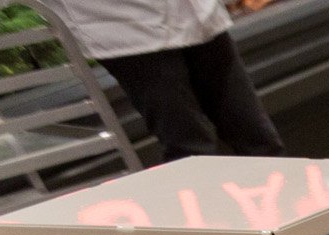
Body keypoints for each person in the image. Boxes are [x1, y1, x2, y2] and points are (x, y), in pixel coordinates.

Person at [52, 0, 284, 159]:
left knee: (258, 137)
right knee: (192, 150)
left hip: (199, 16)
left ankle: (301, 226)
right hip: (123, 28)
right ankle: (214, 228)